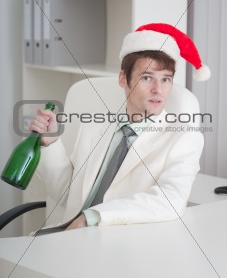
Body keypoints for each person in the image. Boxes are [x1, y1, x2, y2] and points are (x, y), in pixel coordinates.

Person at [30, 23, 210, 231]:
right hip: (68, 235)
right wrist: (51, 142)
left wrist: (93, 216)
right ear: (123, 78)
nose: (158, 90)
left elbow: (171, 200)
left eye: (166, 79)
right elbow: (66, 195)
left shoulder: (183, 137)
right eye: (147, 77)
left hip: (118, 244)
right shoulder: (94, 127)